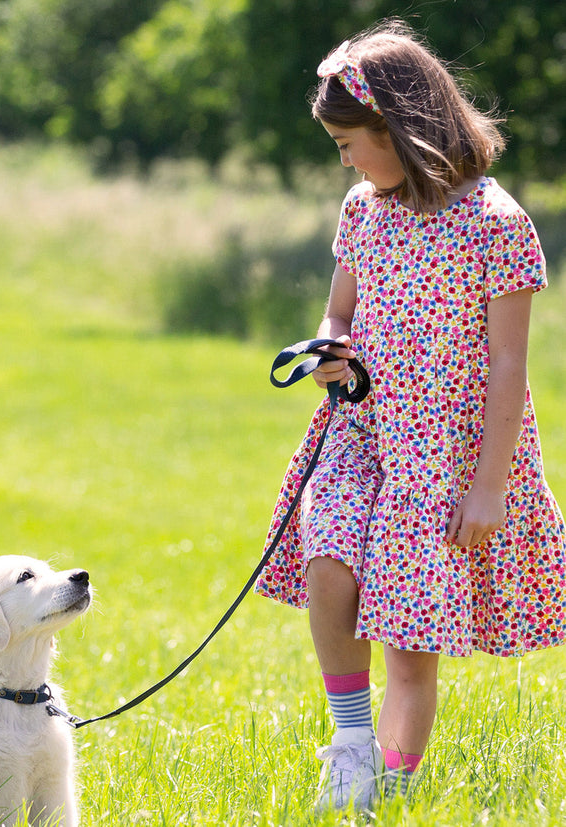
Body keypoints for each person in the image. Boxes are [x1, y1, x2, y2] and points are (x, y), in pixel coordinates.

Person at [255, 19, 566, 815]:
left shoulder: (496, 225)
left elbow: (508, 366)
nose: (345, 160)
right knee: (328, 562)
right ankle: (352, 744)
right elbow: (338, 316)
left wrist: (489, 486)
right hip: (362, 432)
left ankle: (385, 795)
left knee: (409, 639)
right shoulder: (365, 209)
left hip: (446, 457)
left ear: (400, 128)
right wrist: (330, 350)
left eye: (349, 142)